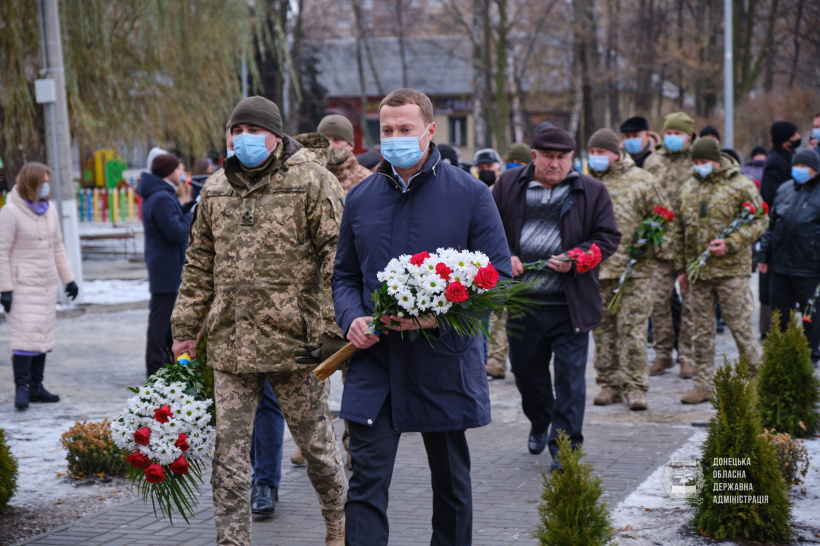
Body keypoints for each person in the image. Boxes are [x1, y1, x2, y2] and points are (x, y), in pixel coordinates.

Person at [332, 88, 512, 545]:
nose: (394, 138)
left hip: (442, 360)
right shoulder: (361, 198)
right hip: (375, 361)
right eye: (386, 130)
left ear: (429, 131)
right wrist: (351, 316)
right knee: (366, 483)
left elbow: (499, 280)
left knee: (450, 484)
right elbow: (344, 277)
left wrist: (438, 318)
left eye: (404, 129)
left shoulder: (470, 195)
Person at [170, 96, 348, 546]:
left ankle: (340, 527)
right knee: (227, 458)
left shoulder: (312, 182)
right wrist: (185, 329)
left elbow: (338, 261)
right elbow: (198, 265)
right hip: (231, 345)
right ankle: (233, 541)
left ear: (275, 135)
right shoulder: (215, 189)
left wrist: (332, 330)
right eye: (236, 131)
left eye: (253, 130)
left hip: (296, 347)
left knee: (318, 451)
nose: (243, 139)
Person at [493, 126, 620, 466]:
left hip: (570, 305)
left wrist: (577, 258)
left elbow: (608, 238)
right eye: (547, 156)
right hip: (523, 303)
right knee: (525, 372)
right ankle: (539, 420)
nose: (555, 164)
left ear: (572, 159)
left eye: (562, 157)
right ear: (533, 156)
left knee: (570, 381)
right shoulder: (507, 185)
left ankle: (565, 447)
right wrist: (504, 257)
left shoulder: (591, 191)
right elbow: (484, 230)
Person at [673, 138, 768, 403]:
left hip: (731, 272)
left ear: (716, 161)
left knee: (740, 328)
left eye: (703, 162)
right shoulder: (688, 188)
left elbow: (761, 219)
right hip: (699, 274)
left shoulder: (740, 185)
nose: (699, 166)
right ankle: (703, 385)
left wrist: (731, 243)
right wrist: (682, 269)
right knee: (701, 331)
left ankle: (757, 381)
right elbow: (678, 231)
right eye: (695, 162)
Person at [586, 129, 664, 411]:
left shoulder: (641, 181)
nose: (595, 157)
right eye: (592, 152)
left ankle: (635, 386)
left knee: (632, 331)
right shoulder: (585, 182)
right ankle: (609, 384)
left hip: (634, 272)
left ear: (616, 154)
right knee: (602, 332)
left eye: (601, 152)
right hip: (595, 270)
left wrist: (655, 251)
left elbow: (662, 218)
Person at [0, 162, 78, 410]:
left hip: (45, 285)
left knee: (42, 335)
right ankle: (22, 389)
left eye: (48, 181)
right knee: (24, 337)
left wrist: (69, 279)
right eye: (43, 181)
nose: (47, 186)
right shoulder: (10, 212)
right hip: (21, 285)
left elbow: (57, 247)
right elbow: (1, 251)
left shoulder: (49, 210)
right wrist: (5, 289)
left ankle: (36, 387)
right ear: (31, 183)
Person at [644, 112, 696, 378]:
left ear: (689, 135)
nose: (673, 137)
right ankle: (663, 354)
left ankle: (687, 355)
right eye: (670, 133)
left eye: (678, 133)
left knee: (690, 303)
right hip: (660, 245)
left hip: (690, 246)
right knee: (657, 301)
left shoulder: (698, 162)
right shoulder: (653, 162)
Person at [758, 148, 820, 365]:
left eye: (804, 166)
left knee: (810, 314)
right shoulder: (785, 189)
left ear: (815, 170)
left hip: (809, 267)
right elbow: (771, 224)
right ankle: (780, 350)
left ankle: (812, 353)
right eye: (797, 165)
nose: (799, 170)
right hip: (780, 266)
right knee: (779, 312)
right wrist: (763, 256)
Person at [138, 153, 192, 378]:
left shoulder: (159, 194)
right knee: (161, 322)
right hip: (167, 269)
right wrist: (193, 213)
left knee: (165, 320)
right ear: (168, 172)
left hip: (165, 267)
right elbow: (176, 232)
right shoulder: (161, 197)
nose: (182, 173)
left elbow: (174, 221)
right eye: (179, 169)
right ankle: (154, 368)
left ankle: (166, 365)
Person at [759, 120, 802, 338]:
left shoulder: (784, 157)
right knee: (774, 288)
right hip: (779, 229)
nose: (798, 137)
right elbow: (771, 197)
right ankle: (771, 330)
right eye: (794, 134)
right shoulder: (776, 161)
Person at [317, 114, 372, 193]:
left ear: (350, 145)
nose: (331, 146)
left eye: (337, 140)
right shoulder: (307, 178)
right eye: (325, 140)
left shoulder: (368, 181)